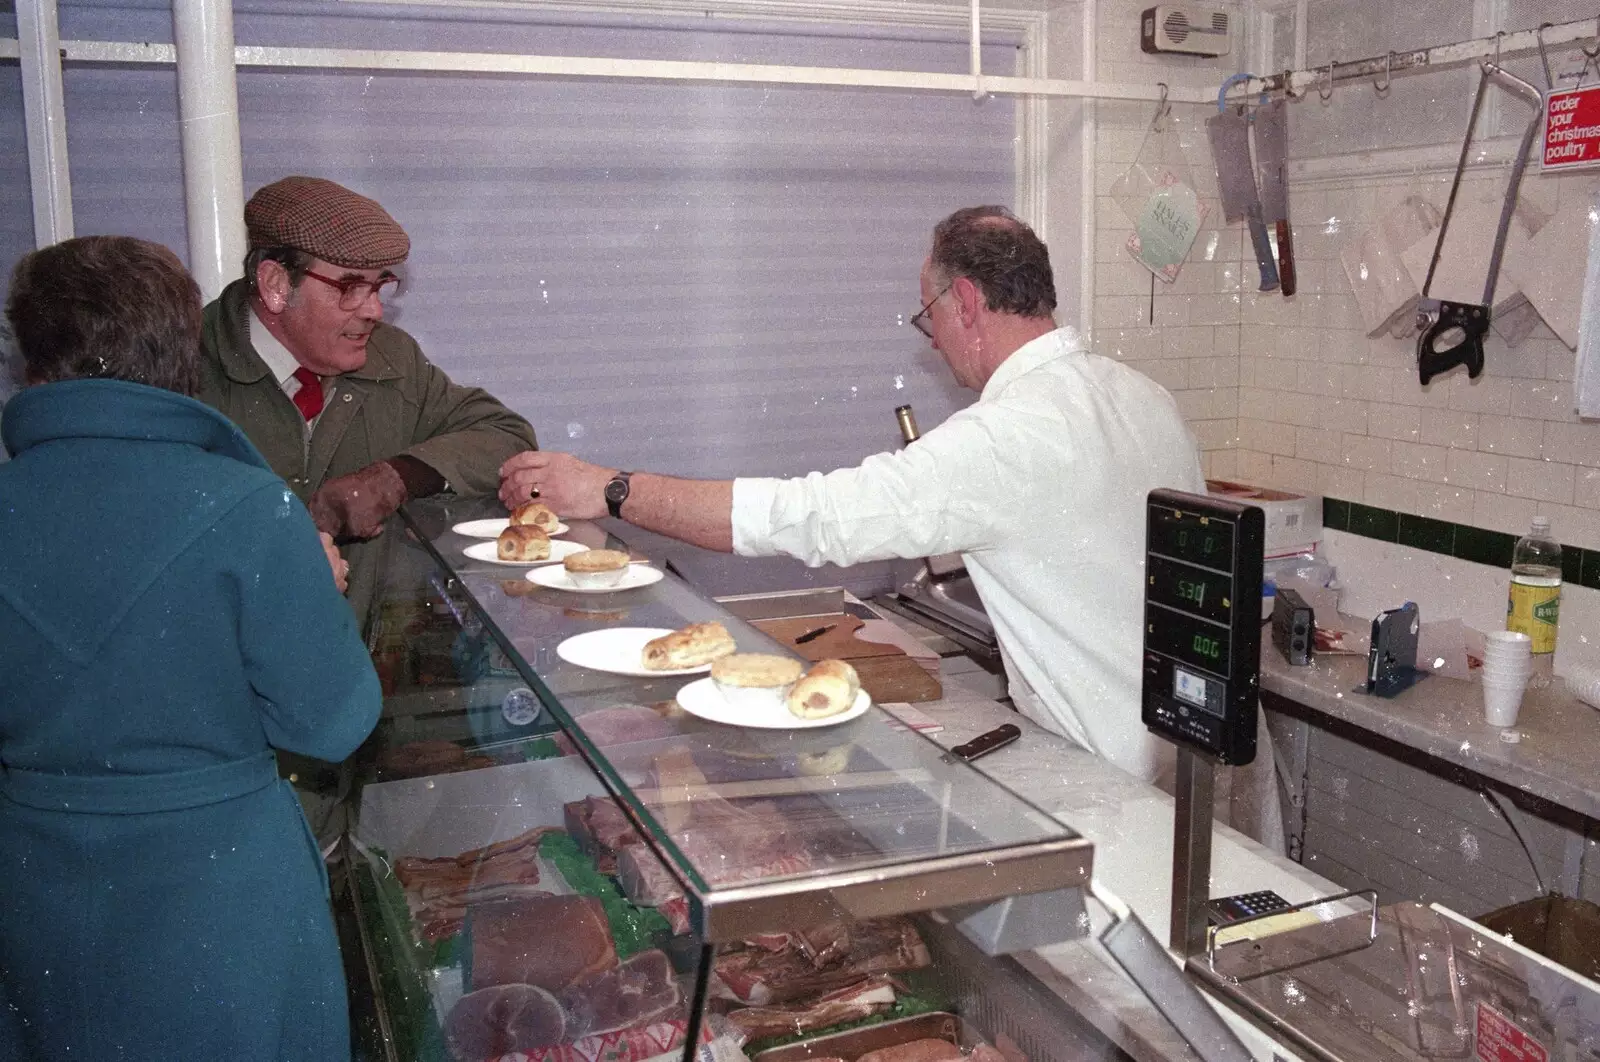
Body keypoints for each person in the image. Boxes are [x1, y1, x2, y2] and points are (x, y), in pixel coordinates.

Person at [500, 206, 1206, 785]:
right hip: (1204, 762)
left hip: (1117, 782)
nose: (932, 345)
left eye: (927, 317)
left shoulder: (1005, 436)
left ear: (964, 301)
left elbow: (805, 517)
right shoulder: (1143, 397)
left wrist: (610, 490)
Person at [0, 236, 383, 1059]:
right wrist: (311, 585)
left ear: (33, 360)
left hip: (35, 888)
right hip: (224, 900)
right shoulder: (250, 506)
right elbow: (334, 722)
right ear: (184, 353)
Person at [197, 174, 539, 625]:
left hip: (356, 666)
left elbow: (507, 436)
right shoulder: (183, 366)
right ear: (276, 284)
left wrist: (393, 479)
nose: (373, 310)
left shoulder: (390, 356)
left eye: (379, 286)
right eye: (349, 287)